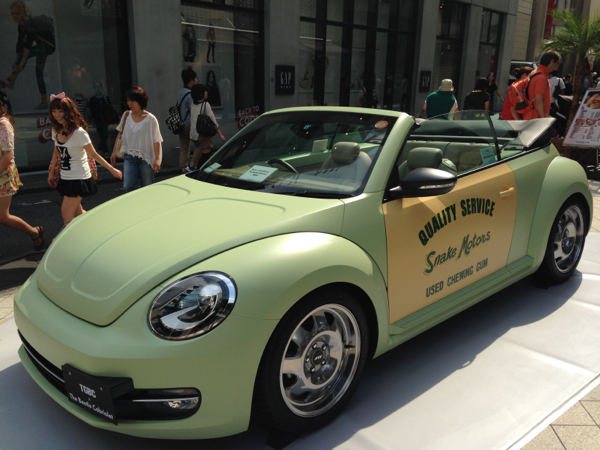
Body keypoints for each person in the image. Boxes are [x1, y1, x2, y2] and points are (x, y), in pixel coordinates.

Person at [47, 93, 122, 225]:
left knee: (66, 213)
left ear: (68, 112)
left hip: (79, 177)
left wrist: (112, 169)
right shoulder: (56, 130)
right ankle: (98, 227)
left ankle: (68, 242)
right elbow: (56, 152)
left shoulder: (79, 133)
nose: (56, 114)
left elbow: (93, 154)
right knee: (78, 214)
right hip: (66, 177)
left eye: (60, 111)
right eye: (54, 111)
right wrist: (51, 172)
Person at [0, 99, 44, 250]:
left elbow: (7, 155)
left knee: (3, 216)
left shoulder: (3, 124)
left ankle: (34, 232)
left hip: (3, 174)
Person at [1, 1, 56, 110]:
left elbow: (28, 46)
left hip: (48, 46)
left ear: (23, 12)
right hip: (42, 47)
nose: (14, 16)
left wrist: (20, 63)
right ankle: (44, 101)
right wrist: (17, 61)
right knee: (39, 72)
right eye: (12, 13)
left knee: (26, 56)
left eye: (17, 13)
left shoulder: (30, 23)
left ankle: (10, 80)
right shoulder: (21, 27)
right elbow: (20, 44)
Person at [110, 87, 163, 192]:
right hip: (130, 157)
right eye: (128, 100)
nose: (130, 103)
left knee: (147, 188)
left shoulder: (151, 119)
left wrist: (157, 159)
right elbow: (120, 133)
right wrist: (113, 152)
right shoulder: (126, 115)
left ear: (140, 100)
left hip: (146, 158)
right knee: (128, 187)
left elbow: (156, 140)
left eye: (132, 100)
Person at [184, 84, 225, 173]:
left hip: (194, 134)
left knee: (201, 150)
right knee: (206, 156)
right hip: (203, 135)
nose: (206, 92)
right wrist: (220, 135)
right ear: (201, 93)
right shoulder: (205, 105)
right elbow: (213, 120)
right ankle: (199, 172)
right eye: (204, 91)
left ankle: (192, 166)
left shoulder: (192, 104)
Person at [523, 51, 561, 120]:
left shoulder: (535, 72)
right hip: (536, 118)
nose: (556, 66)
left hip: (530, 115)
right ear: (552, 61)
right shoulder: (542, 77)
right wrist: (544, 119)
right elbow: (539, 101)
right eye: (556, 63)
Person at [177, 67, 196, 171]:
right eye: (195, 79)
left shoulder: (180, 92)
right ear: (191, 80)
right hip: (189, 124)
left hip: (181, 124)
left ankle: (183, 169)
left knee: (184, 148)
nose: (196, 81)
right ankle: (193, 165)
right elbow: (193, 110)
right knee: (201, 145)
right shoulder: (190, 94)